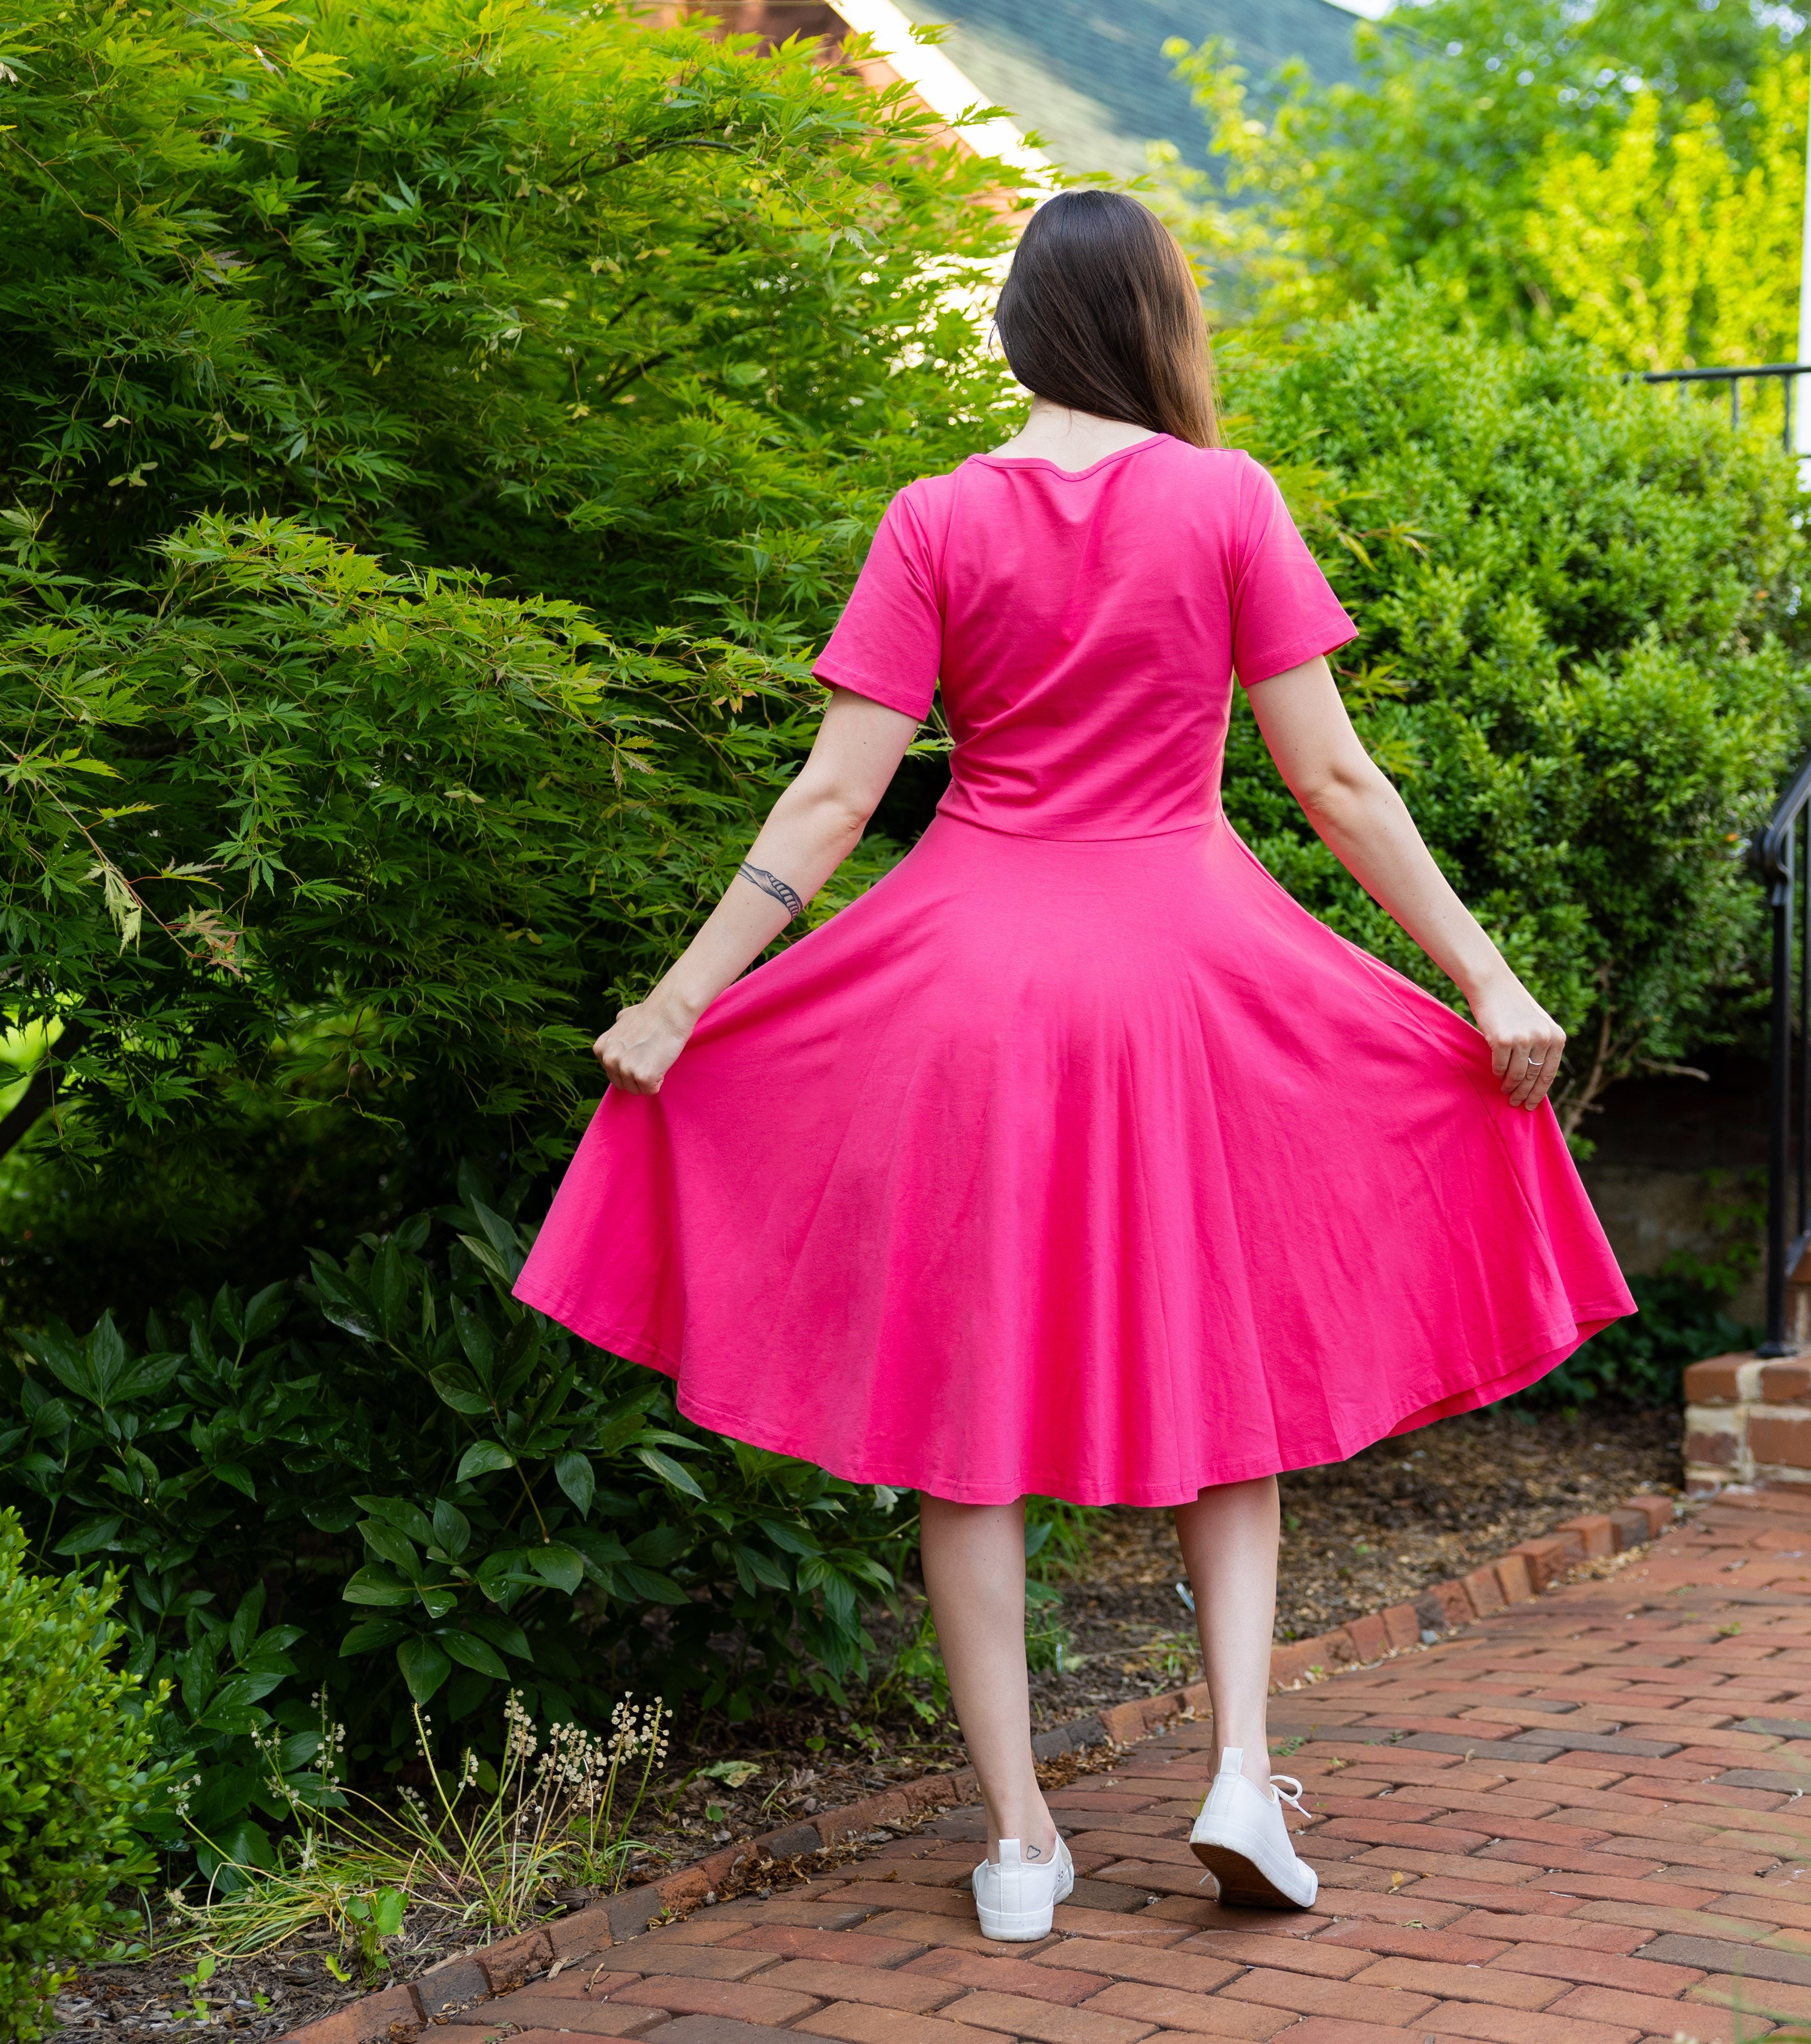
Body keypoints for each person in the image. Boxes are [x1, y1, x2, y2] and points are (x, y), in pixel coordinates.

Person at [513, 190, 1632, 1942]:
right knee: (1227, 1373)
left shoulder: (937, 516)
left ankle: (1024, 1843)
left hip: (973, 983)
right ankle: (1243, 1770)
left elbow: (834, 796)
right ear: (1160, 323)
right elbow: (1335, 786)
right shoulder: (1227, 499)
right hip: (1188, 971)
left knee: (969, 1412)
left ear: (1025, 328)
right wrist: (1486, 978)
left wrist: (679, 1003)